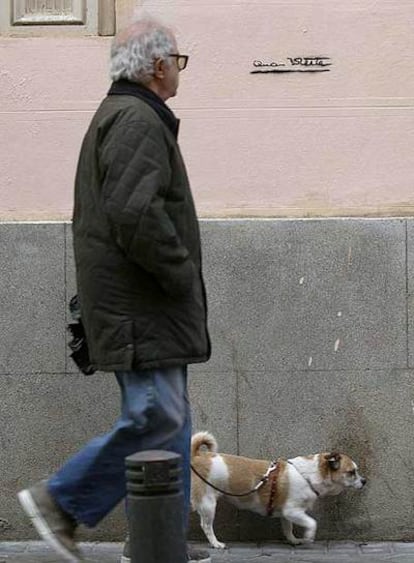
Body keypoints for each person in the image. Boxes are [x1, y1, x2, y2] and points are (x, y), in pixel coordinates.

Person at [17, 14, 211, 563]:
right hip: (142, 308)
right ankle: (60, 501)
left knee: (171, 421)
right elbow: (135, 214)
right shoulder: (134, 120)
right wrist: (180, 277)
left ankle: (159, 539)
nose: (179, 70)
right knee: (157, 416)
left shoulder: (131, 115)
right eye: (177, 60)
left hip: (142, 309)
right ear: (156, 65)